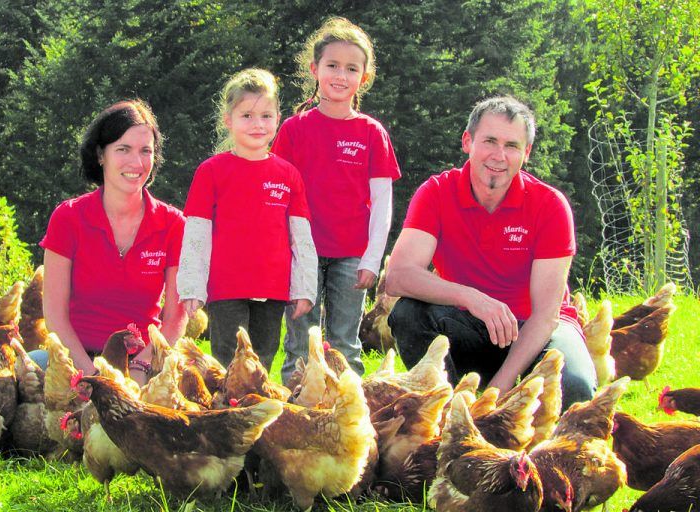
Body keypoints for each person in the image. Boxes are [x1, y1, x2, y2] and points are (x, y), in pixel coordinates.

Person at [385, 96, 596, 410]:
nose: (499, 156)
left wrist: (499, 389)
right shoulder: (437, 193)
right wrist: (471, 297)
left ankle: (505, 420)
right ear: (468, 142)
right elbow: (398, 277)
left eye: (512, 145)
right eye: (490, 141)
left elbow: (545, 316)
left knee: (575, 387)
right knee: (408, 315)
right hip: (471, 324)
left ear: (526, 153)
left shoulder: (550, 205)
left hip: (537, 331)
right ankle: (451, 413)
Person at [272, 17, 401, 382]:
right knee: (300, 343)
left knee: (345, 344)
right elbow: (280, 196)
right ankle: (296, 412)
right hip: (303, 254)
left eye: (351, 68)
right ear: (315, 69)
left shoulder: (372, 133)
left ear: (364, 76)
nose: (340, 75)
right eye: (332, 66)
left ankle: (349, 419)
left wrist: (373, 259)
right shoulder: (294, 129)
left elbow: (382, 203)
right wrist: (283, 250)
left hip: (352, 256)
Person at [176, 68, 317, 371]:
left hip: (273, 287)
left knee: (263, 359)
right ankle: (225, 415)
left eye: (266, 116)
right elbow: (196, 234)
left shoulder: (288, 174)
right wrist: (191, 287)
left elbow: (300, 237)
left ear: (278, 118)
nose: (258, 124)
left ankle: (257, 415)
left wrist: (304, 288)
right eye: (247, 116)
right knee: (228, 362)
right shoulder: (211, 172)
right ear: (229, 120)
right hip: (226, 288)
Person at [40, 99, 188, 384]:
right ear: (100, 154)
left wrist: (142, 367)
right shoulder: (68, 218)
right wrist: (93, 376)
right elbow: (55, 318)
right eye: (123, 149)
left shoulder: (173, 225)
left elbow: (174, 320)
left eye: (146, 151)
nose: (136, 162)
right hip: (78, 357)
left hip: (143, 362)